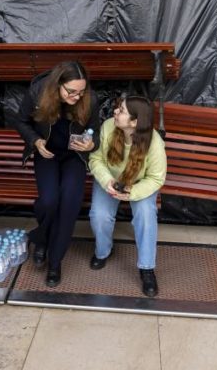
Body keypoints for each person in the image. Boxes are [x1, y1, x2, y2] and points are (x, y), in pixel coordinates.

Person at [12, 61, 100, 287]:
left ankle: (55, 262)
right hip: (47, 152)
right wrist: (35, 141)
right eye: (71, 91)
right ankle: (41, 239)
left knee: (69, 203)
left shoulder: (89, 98)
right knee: (49, 201)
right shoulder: (38, 91)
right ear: (58, 85)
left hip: (74, 157)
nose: (77, 96)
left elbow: (96, 132)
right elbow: (21, 122)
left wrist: (91, 145)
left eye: (81, 91)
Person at [88, 96, 167, 298]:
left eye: (121, 111)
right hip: (110, 181)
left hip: (138, 184)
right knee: (99, 215)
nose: (115, 112)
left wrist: (132, 192)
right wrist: (107, 181)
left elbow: (156, 178)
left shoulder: (154, 142)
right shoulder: (108, 127)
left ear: (135, 122)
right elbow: (95, 159)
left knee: (146, 214)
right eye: (117, 108)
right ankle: (103, 252)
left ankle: (147, 268)